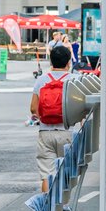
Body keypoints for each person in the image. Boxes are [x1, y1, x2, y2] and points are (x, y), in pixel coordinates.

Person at [30, 45, 76, 202]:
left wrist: (44, 117)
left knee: (47, 172)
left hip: (45, 133)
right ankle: (63, 204)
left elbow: (33, 108)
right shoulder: (74, 80)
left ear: (51, 61)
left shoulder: (42, 80)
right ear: (68, 62)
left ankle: (48, 204)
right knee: (67, 169)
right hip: (68, 131)